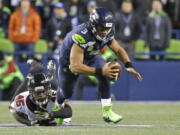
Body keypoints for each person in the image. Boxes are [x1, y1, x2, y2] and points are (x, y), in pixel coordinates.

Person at [57, 7, 143, 123]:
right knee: (66, 92)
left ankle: (107, 112)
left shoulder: (108, 31)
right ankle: (58, 106)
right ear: (93, 25)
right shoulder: (81, 35)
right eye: (101, 28)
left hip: (91, 55)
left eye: (107, 28)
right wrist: (99, 70)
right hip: (68, 62)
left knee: (107, 71)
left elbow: (118, 49)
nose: (104, 31)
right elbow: (75, 66)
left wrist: (128, 65)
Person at [9, 61, 72, 126]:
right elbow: (13, 111)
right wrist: (28, 122)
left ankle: (51, 72)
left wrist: (51, 114)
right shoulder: (22, 100)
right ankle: (33, 72)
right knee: (12, 104)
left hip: (51, 106)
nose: (41, 95)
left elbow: (68, 111)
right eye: (38, 93)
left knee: (55, 86)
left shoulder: (54, 96)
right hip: (35, 98)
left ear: (48, 91)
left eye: (43, 92)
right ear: (31, 92)